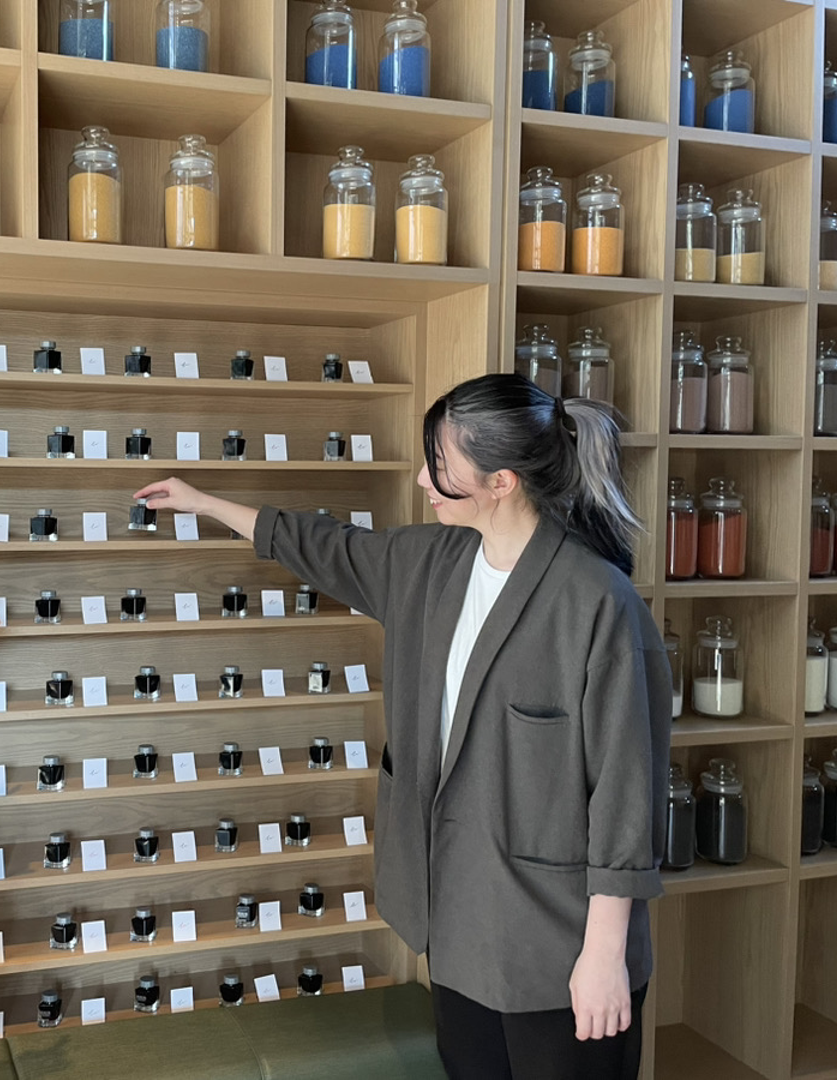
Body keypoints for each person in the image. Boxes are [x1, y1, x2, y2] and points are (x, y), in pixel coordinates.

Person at [136, 374, 670, 1080]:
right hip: (457, 923)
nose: (423, 479)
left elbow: (627, 795)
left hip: (560, 944)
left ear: (501, 482)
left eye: (440, 465)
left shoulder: (598, 602)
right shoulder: (429, 563)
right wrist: (205, 503)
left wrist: (603, 956)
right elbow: (326, 546)